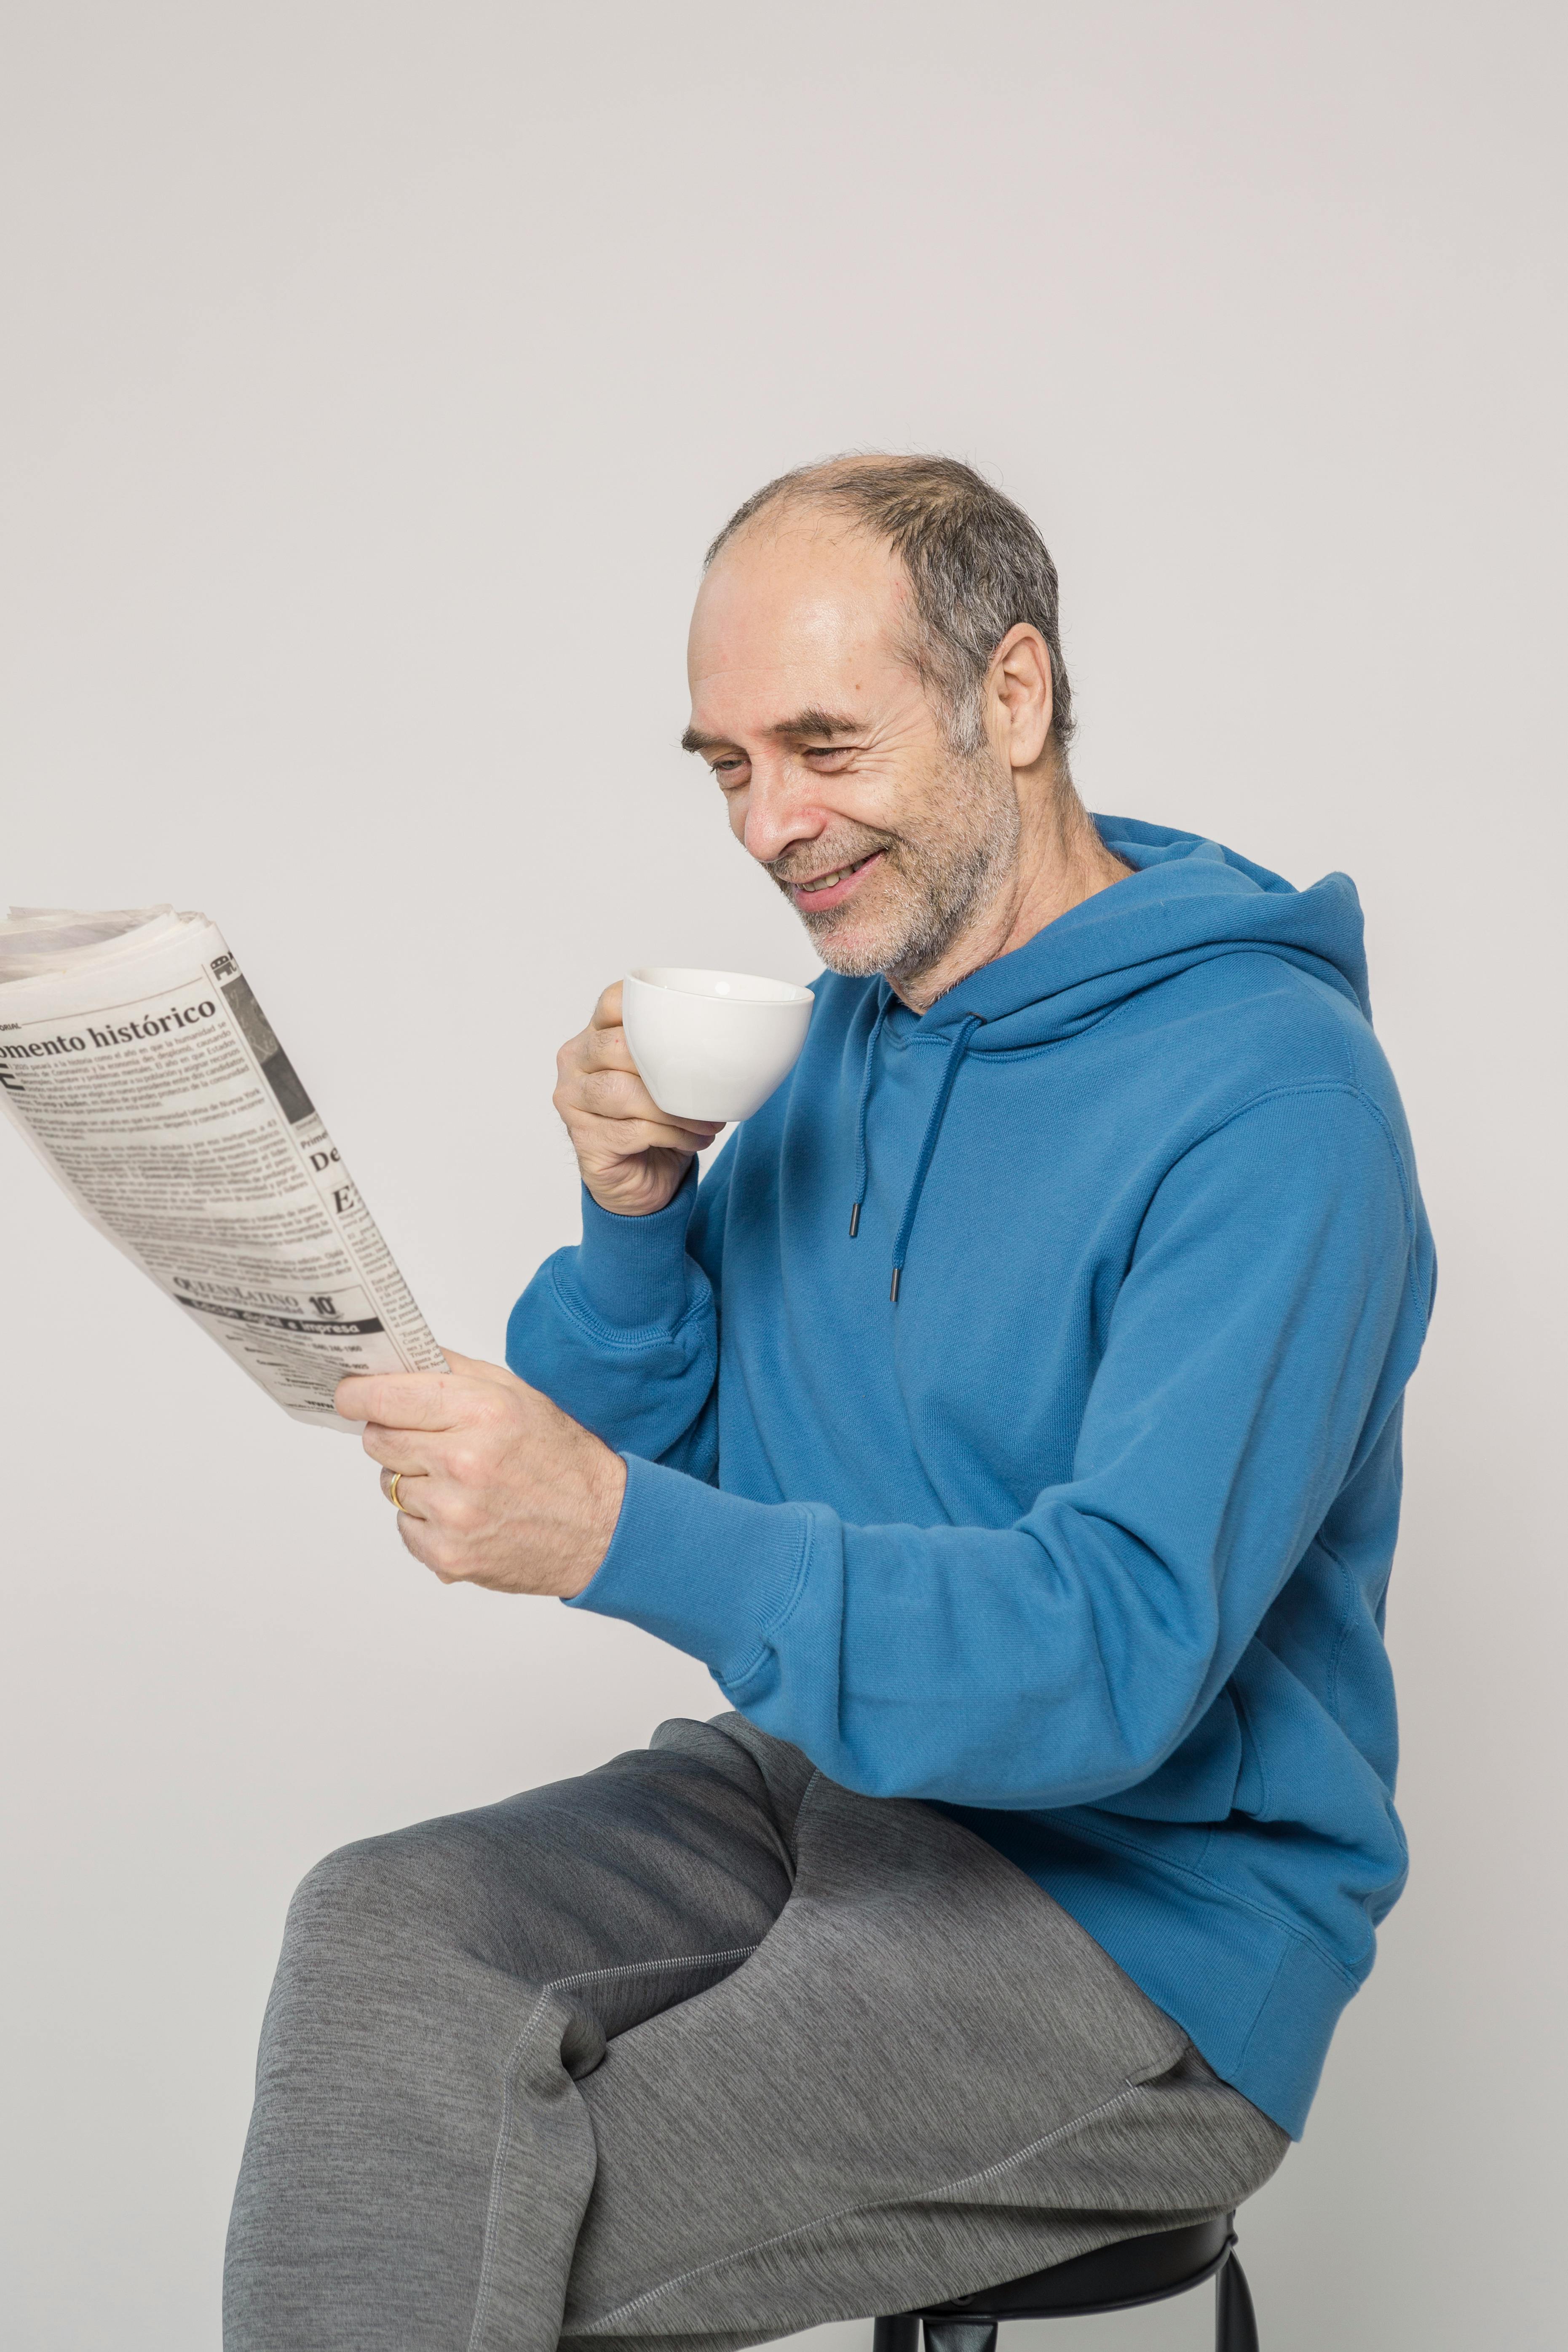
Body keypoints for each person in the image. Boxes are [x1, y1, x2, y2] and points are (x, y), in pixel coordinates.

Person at [224, 456, 1435, 2352]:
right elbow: (674, 1467)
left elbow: (1114, 1654)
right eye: (724, 763)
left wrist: (616, 1529)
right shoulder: (835, 1033)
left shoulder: (1271, 1107)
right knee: (384, 1937)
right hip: (831, 1785)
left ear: (1010, 697)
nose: (771, 825)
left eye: (820, 743)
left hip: (1139, 1909)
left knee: (473, 2206)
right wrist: (635, 1229)